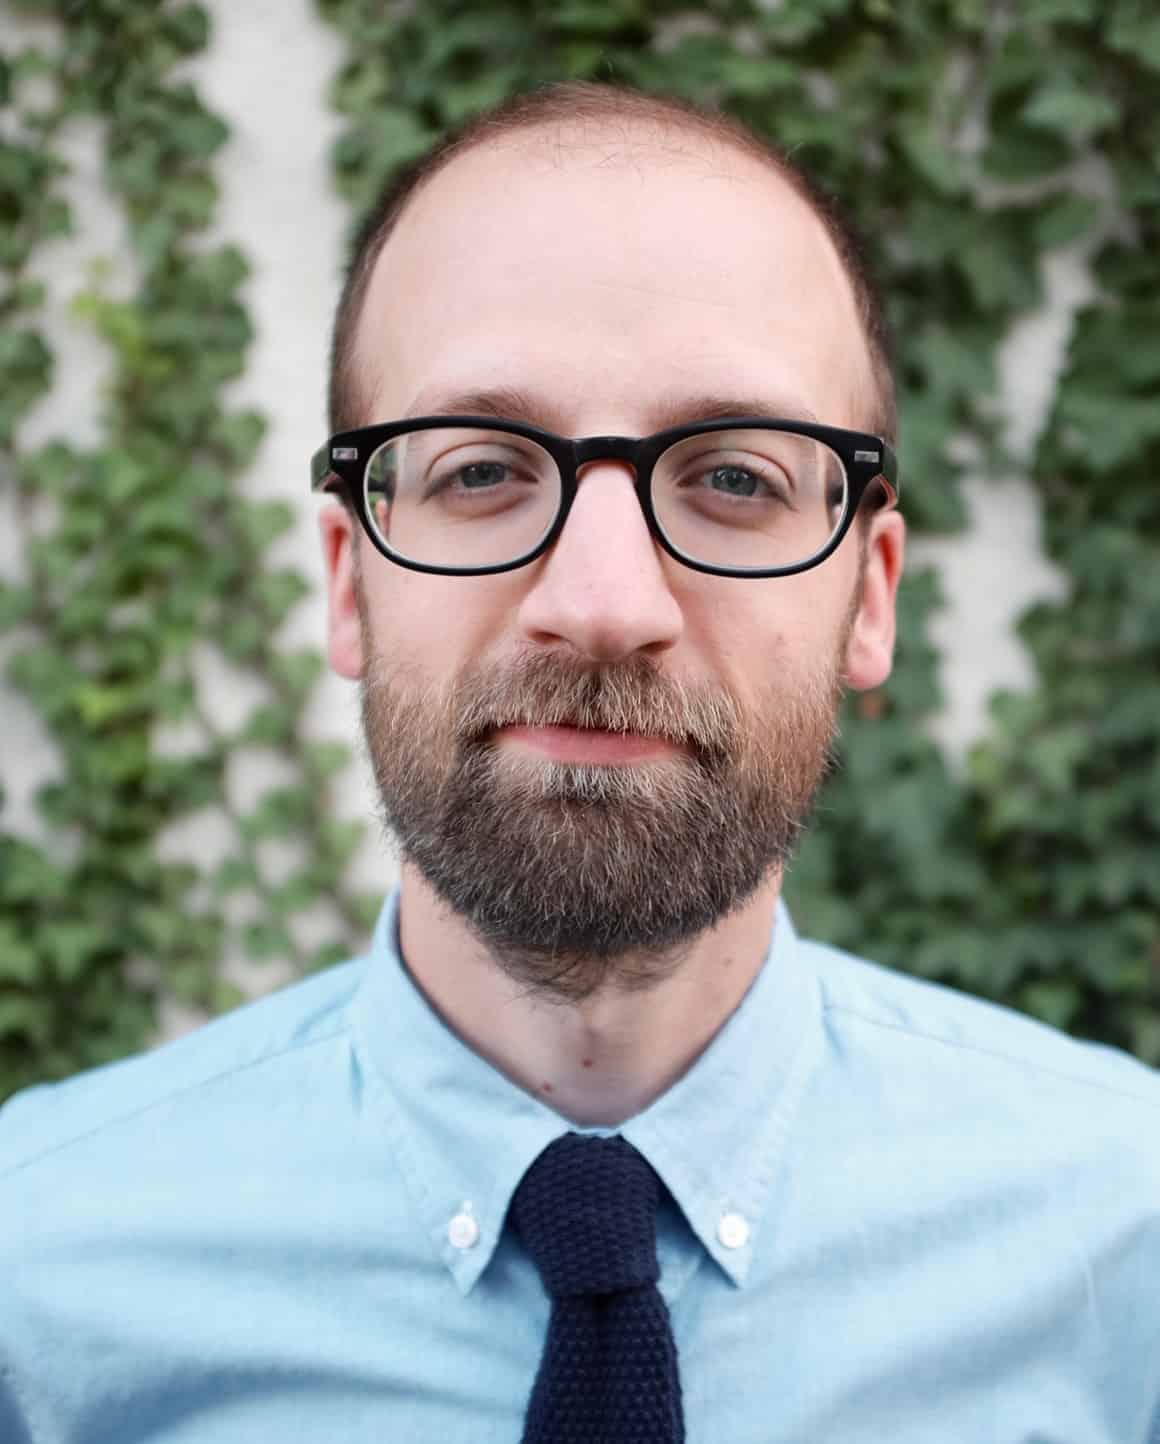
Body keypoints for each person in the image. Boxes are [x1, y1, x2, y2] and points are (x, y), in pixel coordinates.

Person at [1, 81, 1157, 1444]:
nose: (605, 604)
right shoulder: (39, 1268)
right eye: (482, 470)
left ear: (871, 595)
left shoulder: (1124, 1234)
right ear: (350, 582)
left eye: (735, 478)